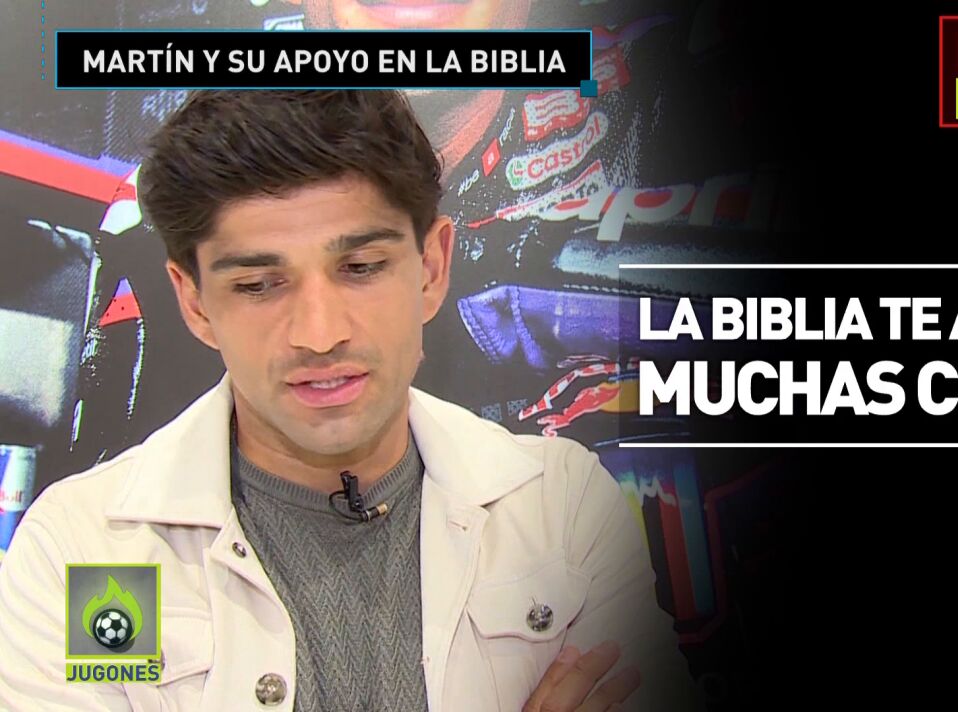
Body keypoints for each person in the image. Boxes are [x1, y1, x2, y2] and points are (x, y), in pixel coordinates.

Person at [0, 90, 698, 712]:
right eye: (258, 285)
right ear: (196, 302)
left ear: (432, 268)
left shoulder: (558, 505)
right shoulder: (85, 546)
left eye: (361, 268)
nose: (320, 332)